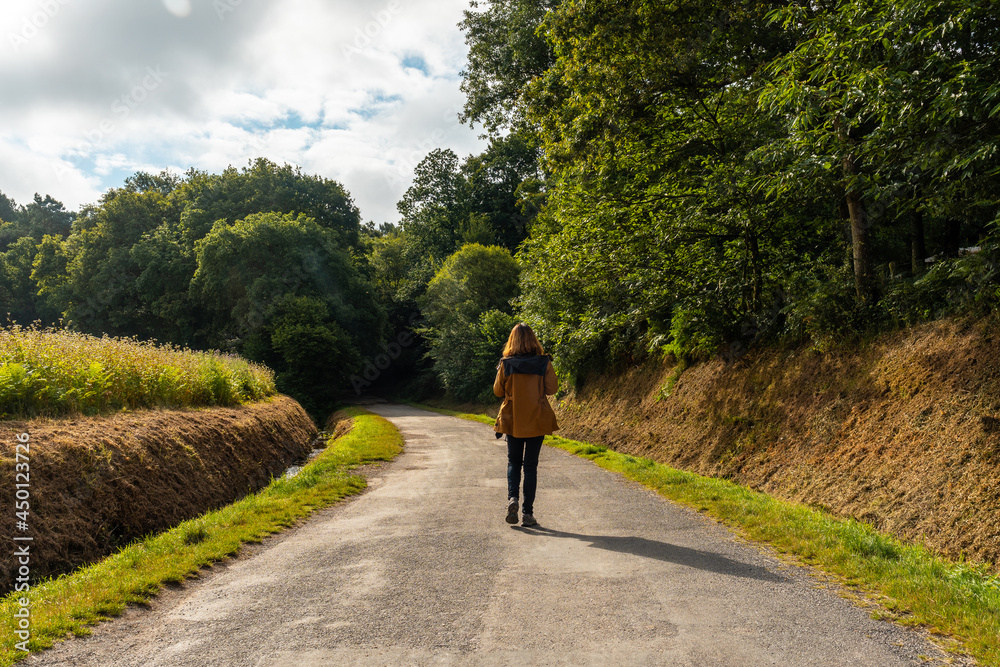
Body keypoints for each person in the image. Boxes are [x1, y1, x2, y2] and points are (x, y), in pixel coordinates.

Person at [493, 322, 559, 527]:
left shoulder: (506, 363)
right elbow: (552, 389)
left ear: (512, 340)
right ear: (533, 340)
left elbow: (497, 391)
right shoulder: (543, 362)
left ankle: (512, 498)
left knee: (514, 462)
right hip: (536, 418)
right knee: (530, 467)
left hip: (513, 419)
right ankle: (528, 514)